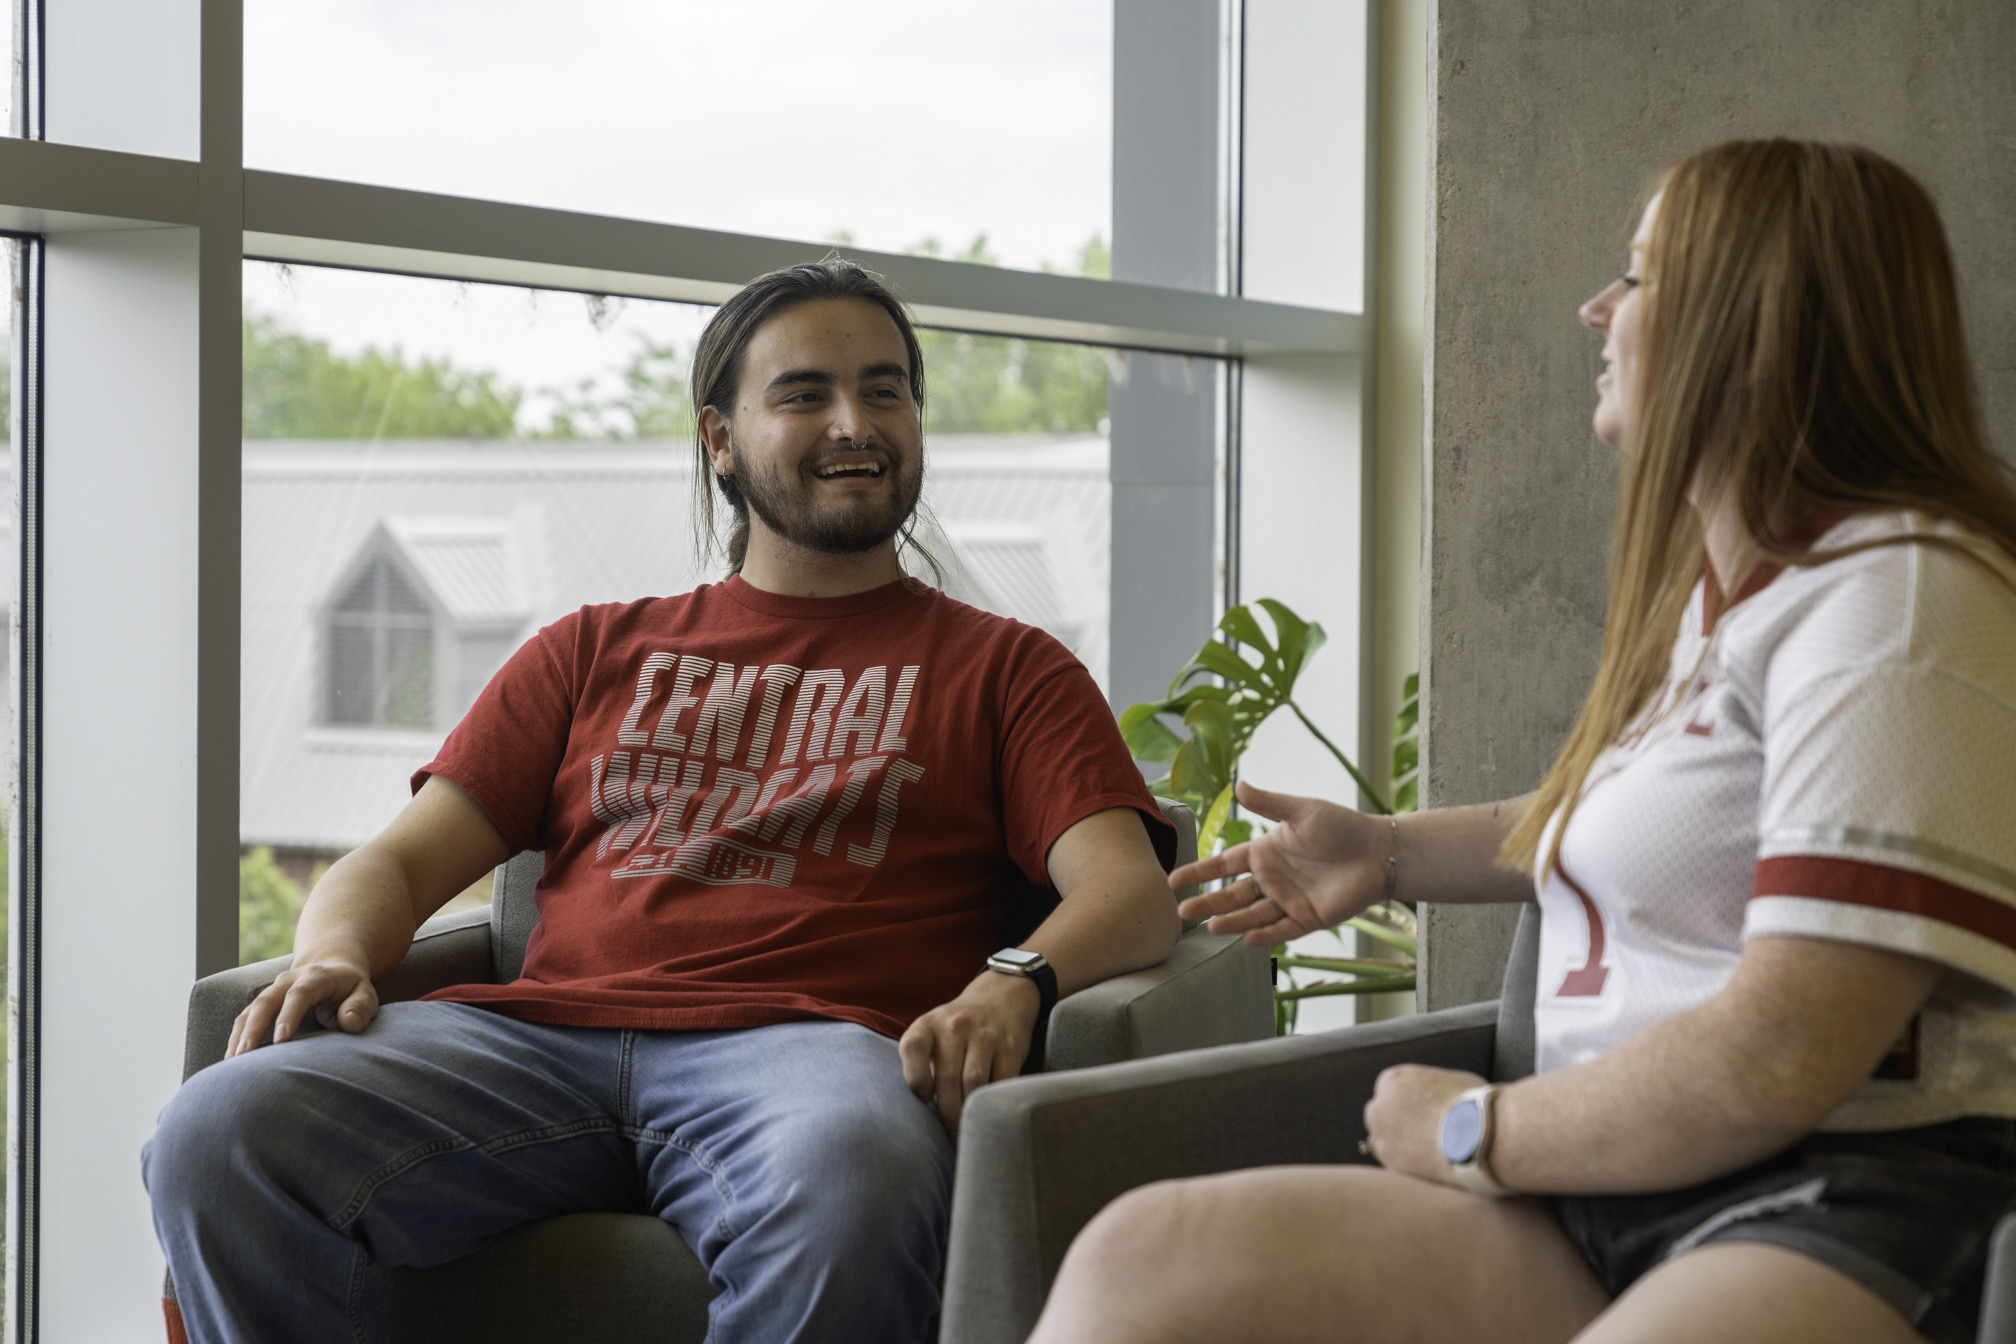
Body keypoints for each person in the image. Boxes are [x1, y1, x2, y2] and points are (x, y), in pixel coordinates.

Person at [1029, 140, 2016, 1344]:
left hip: (1838, 1197)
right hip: (1610, 1194)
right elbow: (1640, 829)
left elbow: (1783, 1052)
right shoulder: (1724, 599)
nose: (1596, 308)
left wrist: (1477, 1131)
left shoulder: (1898, 602)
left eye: (1639, 277)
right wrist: (1381, 850)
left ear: (1755, 323)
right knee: (1142, 1264)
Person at [143, 257, 1181, 1344]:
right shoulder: (593, 648)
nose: (854, 422)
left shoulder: (1010, 670)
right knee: (218, 1131)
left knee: (853, 1174)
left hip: (813, 1054)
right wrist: (338, 951)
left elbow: (1127, 890)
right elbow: (397, 865)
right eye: (804, 394)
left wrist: (1013, 981)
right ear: (720, 439)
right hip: (538, 1048)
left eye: (886, 389)